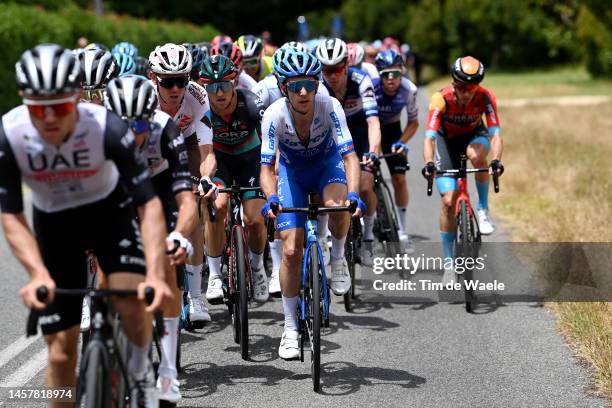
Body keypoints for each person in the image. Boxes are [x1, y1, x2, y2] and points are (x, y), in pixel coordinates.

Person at [1, 43, 172, 407]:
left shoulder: (106, 126)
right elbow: (12, 214)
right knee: (61, 355)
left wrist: (155, 274)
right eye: (38, 109)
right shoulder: (11, 132)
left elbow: (149, 204)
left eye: (61, 107)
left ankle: (140, 374)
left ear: (78, 97)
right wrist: (36, 274)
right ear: (22, 99)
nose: (49, 119)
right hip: (56, 226)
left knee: (130, 300)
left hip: (109, 217)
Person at [259, 50, 363, 359]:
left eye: (309, 84)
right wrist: (272, 198)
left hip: (326, 165)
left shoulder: (329, 106)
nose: (303, 92)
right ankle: (290, 328)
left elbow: (349, 157)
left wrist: (354, 193)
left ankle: (339, 257)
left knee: (338, 204)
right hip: (292, 173)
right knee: (291, 249)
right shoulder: (274, 115)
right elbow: (266, 168)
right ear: (282, 87)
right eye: (295, 86)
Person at [105, 75, 197, 403]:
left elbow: (187, 201)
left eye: (139, 128)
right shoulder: (97, 132)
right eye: (123, 128)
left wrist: (178, 235)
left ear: (150, 120)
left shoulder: (166, 128)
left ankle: (169, 370)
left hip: (160, 188)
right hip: (117, 190)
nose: (132, 137)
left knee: (167, 265)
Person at [149, 43, 215, 324]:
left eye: (181, 80)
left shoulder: (198, 97)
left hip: (185, 145)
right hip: (152, 150)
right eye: (168, 82)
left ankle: (197, 297)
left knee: (195, 206)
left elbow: (206, 151)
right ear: (154, 78)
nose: (176, 88)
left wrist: (204, 178)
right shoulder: (143, 99)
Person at [422, 56, 504, 281]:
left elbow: (495, 133)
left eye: (472, 87)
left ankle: (483, 210)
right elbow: (429, 137)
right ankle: (449, 265)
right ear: (453, 82)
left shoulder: (485, 97)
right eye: (461, 86)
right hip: (445, 141)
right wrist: (429, 163)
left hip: (474, 137)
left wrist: (495, 160)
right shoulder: (441, 98)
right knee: (448, 201)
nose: (467, 92)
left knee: (477, 156)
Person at [198, 55, 270, 303]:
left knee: (254, 220)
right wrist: (204, 178)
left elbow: (272, 141)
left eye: (225, 85)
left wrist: (273, 172)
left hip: (250, 158)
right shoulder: (203, 110)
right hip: (220, 161)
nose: (219, 93)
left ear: (235, 83)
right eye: (212, 87)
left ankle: (258, 267)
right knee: (217, 206)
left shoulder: (251, 103)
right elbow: (202, 151)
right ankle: (216, 275)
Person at [317, 37, 381, 266]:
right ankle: (324, 237)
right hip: (332, 135)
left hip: (359, 131)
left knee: (364, 184)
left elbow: (373, 121)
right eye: (327, 70)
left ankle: (368, 236)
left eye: (337, 69)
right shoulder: (318, 86)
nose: (333, 75)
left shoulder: (361, 80)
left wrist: (373, 151)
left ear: (346, 65)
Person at [372, 49, 419, 251]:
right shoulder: (371, 88)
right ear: (379, 74)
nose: (391, 79)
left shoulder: (409, 90)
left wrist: (401, 141)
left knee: (399, 178)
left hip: (392, 130)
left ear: (402, 71)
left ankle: (402, 229)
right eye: (385, 74)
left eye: (395, 74)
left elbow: (414, 122)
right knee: (367, 178)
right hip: (370, 128)